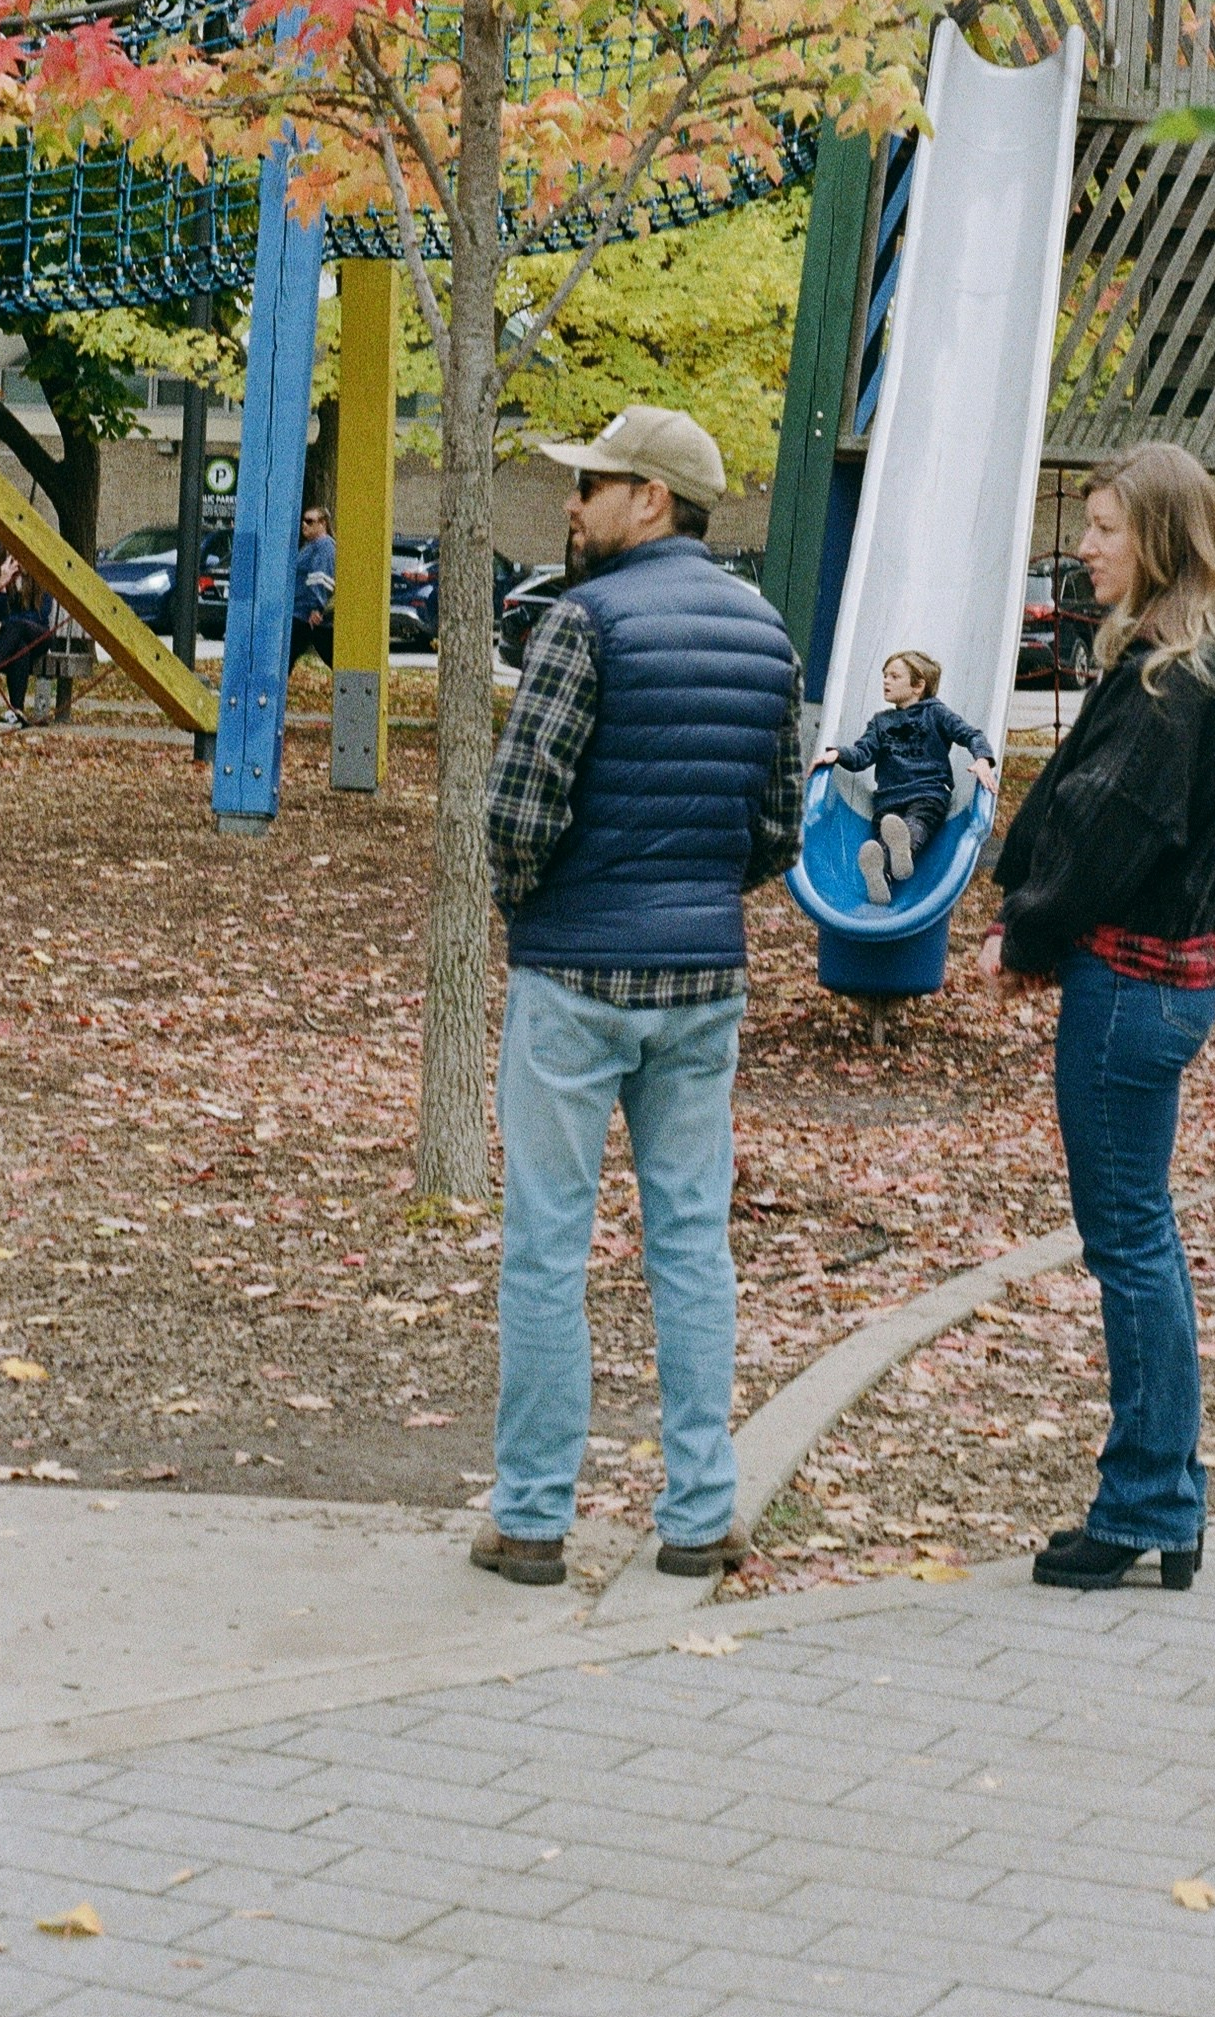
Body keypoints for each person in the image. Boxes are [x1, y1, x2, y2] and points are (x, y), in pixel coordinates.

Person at [475, 405, 801, 1590]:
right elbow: (778, 828)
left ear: (649, 498)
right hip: (704, 980)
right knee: (690, 1243)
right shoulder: (767, 635)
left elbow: (517, 812)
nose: (573, 501)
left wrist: (534, 906)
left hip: (574, 973)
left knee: (548, 1247)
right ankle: (700, 1511)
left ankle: (530, 1517)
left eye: (593, 482)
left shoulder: (583, 622)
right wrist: (701, 891)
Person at [980, 442, 1215, 1594]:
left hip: (1128, 990)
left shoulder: (1170, 680)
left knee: (1129, 1243)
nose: (1087, 544)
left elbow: (1104, 827)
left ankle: (1149, 1497)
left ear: (1159, 535)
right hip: (1173, 984)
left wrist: (1029, 934)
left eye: (1106, 525)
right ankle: (1165, 1491)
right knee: (1141, 1235)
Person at [814, 649, 996, 902]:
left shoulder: (936, 713)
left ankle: (900, 853)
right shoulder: (880, 722)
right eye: (884, 675)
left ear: (918, 685)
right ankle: (883, 876)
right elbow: (862, 754)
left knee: (914, 824)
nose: (886, 681)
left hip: (927, 793)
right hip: (889, 800)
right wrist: (837, 755)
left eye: (894, 676)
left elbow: (971, 734)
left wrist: (982, 759)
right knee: (886, 836)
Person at [0, 554, 51, 728]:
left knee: (17, 626)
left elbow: (39, 615)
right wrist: (1, 586)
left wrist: (3, 624)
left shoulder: (41, 574)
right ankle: (17, 712)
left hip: (39, 635)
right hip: (12, 642)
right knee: (20, 649)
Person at [289, 505, 335, 668]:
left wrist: (316, 607)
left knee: (288, 655)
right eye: (303, 520)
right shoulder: (310, 546)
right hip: (302, 613)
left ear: (322, 524)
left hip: (307, 616)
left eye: (309, 521)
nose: (304, 524)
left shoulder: (324, 546)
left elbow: (321, 577)